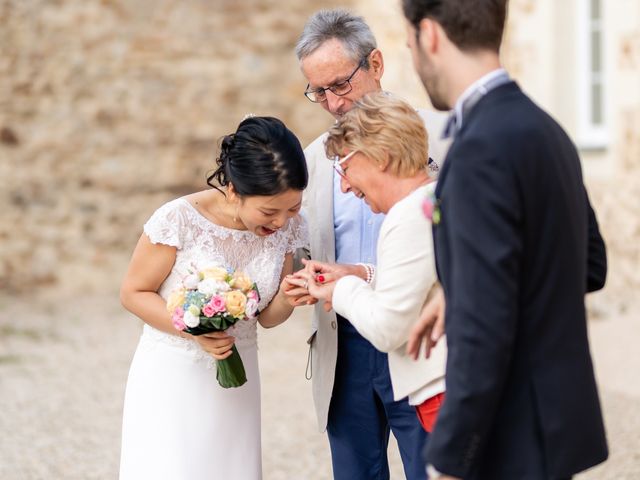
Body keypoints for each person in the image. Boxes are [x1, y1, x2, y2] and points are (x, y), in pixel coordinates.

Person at [400, 0, 608, 479]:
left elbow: (484, 329)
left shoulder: (479, 149)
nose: (414, 58)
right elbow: (588, 264)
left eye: (410, 43)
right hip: (552, 430)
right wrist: (463, 286)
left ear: (430, 35)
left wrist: (451, 458)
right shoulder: (544, 129)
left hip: (506, 439)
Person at [288, 9, 448, 480]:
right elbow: (299, 242)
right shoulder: (313, 160)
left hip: (423, 338)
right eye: (319, 92)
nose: (333, 103)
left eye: (340, 84)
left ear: (375, 64)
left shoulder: (440, 134)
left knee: (433, 469)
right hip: (344, 346)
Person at [118, 116, 309, 480]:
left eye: (293, 208)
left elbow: (267, 318)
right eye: (270, 211)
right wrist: (193, 331)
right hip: (173, 375)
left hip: (239, 377)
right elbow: (132, 292)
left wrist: (288, 296)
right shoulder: (179, 219)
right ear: (234, 190)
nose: (282, 221)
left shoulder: (291, 229)